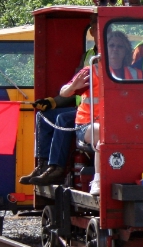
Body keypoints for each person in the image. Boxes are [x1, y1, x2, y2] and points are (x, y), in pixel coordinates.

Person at [21, 23, 97, 186]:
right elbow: (73, 86)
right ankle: (42, 165)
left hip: (92, 114)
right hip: (82, 108)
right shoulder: (88, 55)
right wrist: (54, 102)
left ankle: (57, 168)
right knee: (43, 116)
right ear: (92, 31)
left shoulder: (116, 56)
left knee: (62, 118)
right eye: (96, 28)